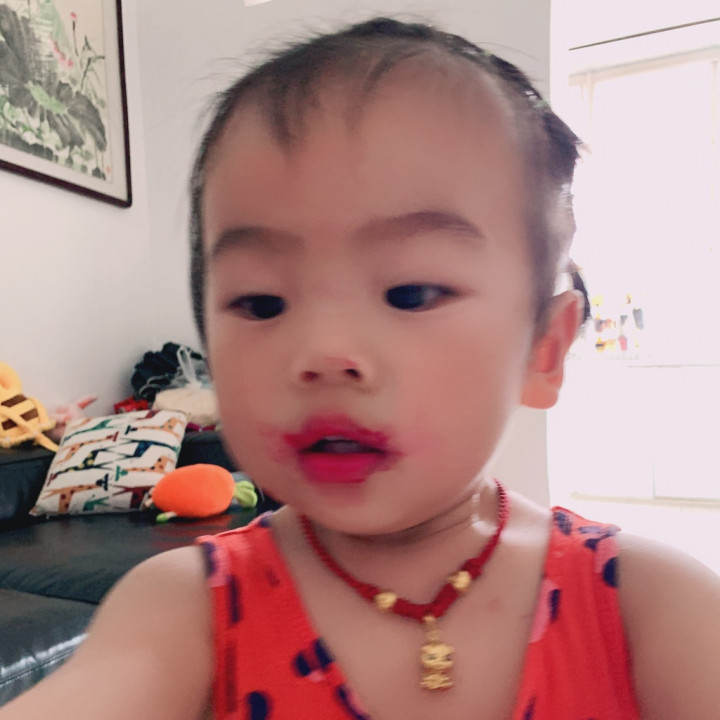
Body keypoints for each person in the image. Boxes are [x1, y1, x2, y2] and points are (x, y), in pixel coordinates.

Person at [4, 16, 720, 720]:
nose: (322, 353)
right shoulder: (184, 611)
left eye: (411, 293)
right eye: (261, 302)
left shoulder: (647, 607)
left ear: (545, 349)